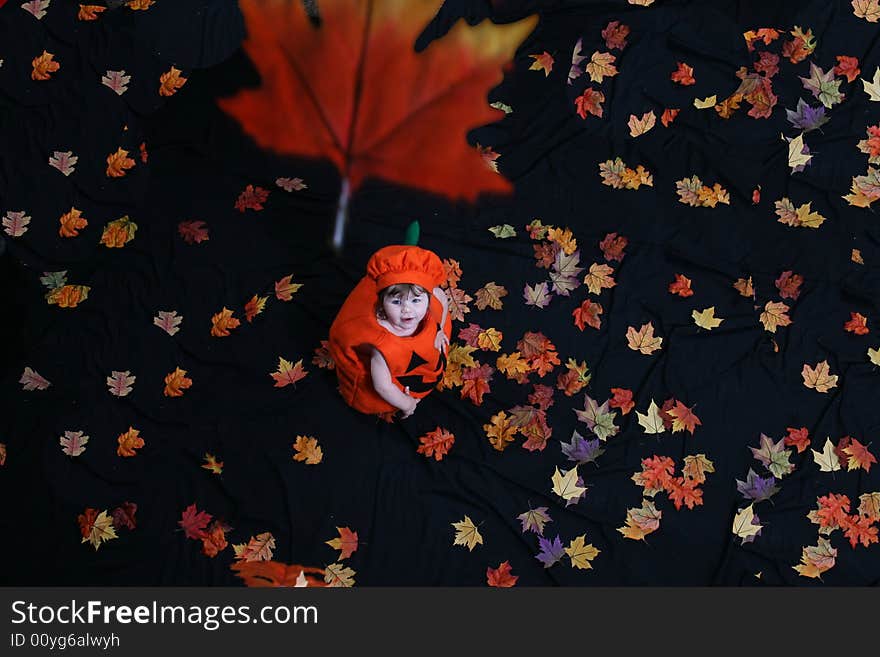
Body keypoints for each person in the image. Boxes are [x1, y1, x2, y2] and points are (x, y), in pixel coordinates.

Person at [328, 237, 452, 420]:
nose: (407, 309)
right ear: (381, 305)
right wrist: (407, 403)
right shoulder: (381, 345)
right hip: (399, 375)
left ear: (427, 297)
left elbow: (441, 298)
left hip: (426, 365)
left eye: (416, 300)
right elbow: (382, 386)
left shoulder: (430, 302)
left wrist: (440, 328)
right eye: (396, 301)